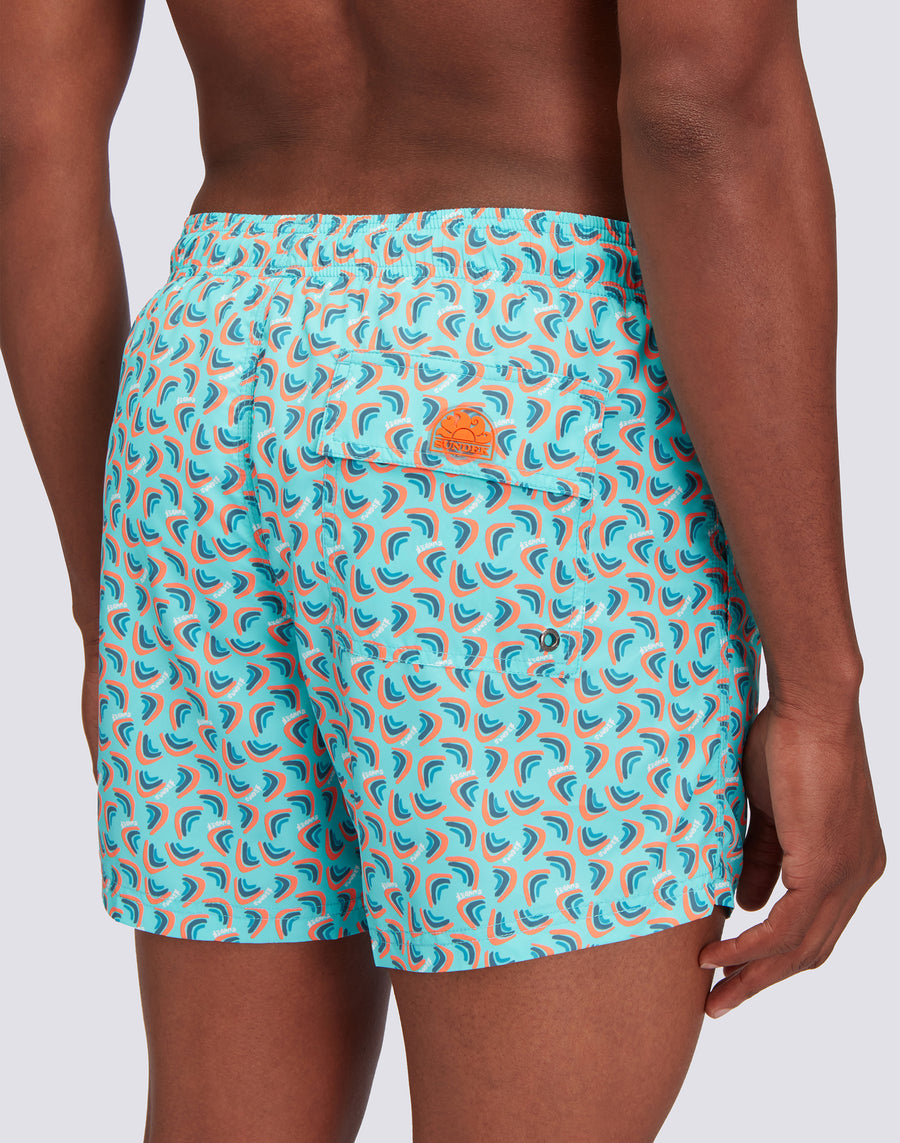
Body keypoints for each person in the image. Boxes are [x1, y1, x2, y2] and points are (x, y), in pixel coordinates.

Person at [0, 1, 887, 1140]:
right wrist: (818, 691)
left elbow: (25, 141)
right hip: (513, 383)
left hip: (206, 379)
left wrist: (108, 612)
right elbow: (701, 109)